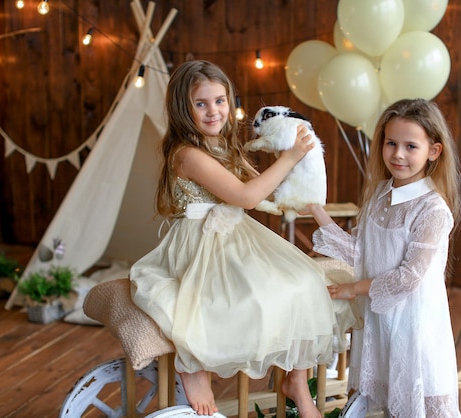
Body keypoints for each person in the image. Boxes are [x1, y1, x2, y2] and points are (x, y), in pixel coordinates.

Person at [129, 60, 354, 418]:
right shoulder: (187, 154)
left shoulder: (223, 145)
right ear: (182, 109)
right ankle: (193, 366)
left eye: (220, 101)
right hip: (201, 244)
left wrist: (299, 175)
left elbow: (258, 189)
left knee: (306, 279)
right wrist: (290, 156)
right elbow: (247, 197)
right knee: (244, 299)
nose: (213, 111)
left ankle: (297, 379)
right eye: (200, 103)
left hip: (236, 235)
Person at [306, 98, 461, 417]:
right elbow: (362, 252)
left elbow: (409, 277)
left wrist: (355, 288)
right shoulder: (381, 194)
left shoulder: (431, 209)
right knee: (387, 402)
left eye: (410, 146)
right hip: (381, 321)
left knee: (415, 402)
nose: (398, 154)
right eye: (391, 143)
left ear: (433, 151)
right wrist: (316, 211)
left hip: (413, 325)